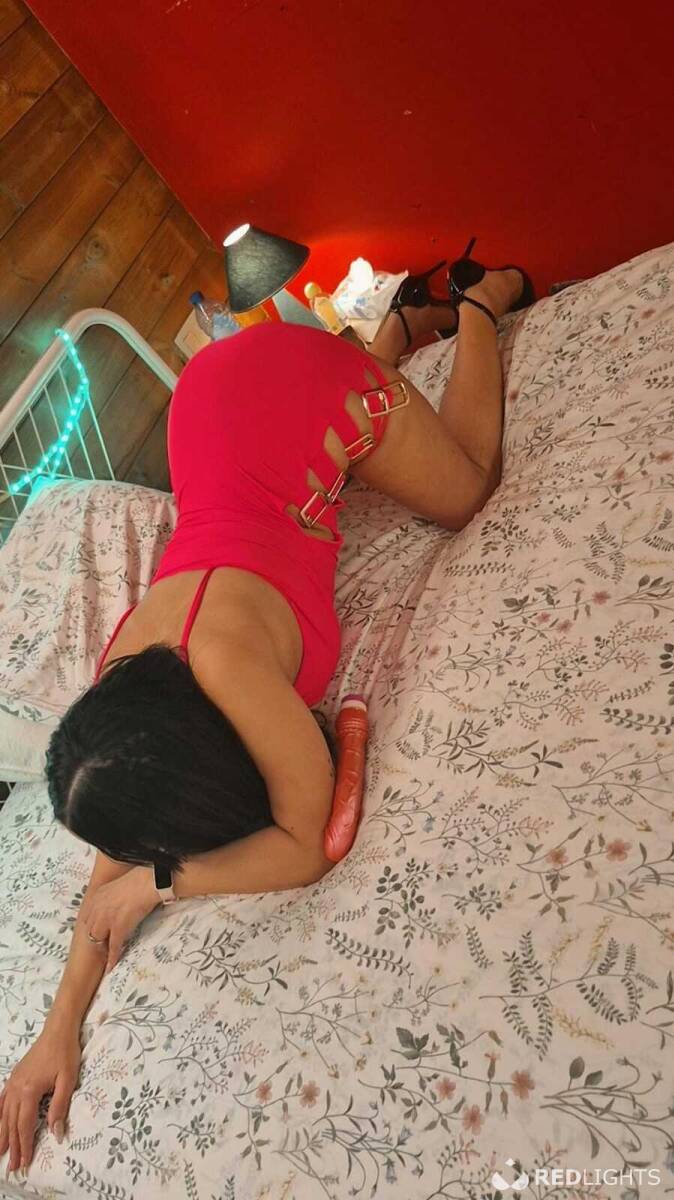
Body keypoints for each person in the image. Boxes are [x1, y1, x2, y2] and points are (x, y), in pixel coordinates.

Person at [0, 241, 533, 1176]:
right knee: (329, 436)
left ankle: (478, 302)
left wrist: (162, 884)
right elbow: (108, 860)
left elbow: (306, 846)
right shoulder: (125, 696)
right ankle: (396, 328)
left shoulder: (232, 672)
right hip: (212, 406)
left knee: (466, 490)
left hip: (289, 394)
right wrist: (57, 1027)